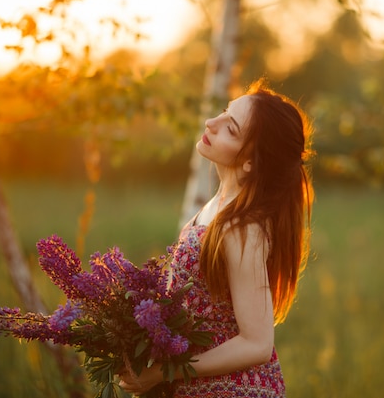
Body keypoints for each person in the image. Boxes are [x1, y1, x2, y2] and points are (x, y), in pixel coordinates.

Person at [119, 79, 314, 397]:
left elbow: (258, 344)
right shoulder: (217, 205)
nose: (212, 122)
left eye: (231, 129)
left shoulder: (243, 227)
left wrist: (166, 372)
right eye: (225, 112)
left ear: (251, 160)